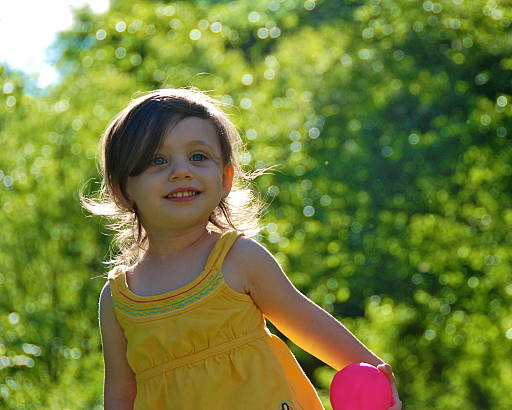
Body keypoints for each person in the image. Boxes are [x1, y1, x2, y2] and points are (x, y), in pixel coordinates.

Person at [82, 88, 402, 409]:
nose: (181, 171)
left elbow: (308, 324)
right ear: (122, 190)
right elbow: (121, 395)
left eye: (198, 156)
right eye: (157, 160)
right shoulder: (119, 299)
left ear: (225, 178)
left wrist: (376, 375)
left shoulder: (238, 258)